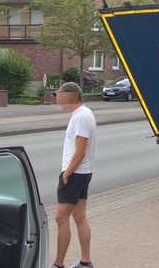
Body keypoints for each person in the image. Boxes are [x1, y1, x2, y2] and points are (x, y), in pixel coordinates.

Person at [50, 82, 97, 268]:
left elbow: (80, 151)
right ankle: (86, 262)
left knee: (61, 218)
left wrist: (67, 173)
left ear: (72, 96)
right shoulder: (84, 113)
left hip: (76, 173)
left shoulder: (80, 118)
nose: (59, 100)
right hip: (83, 172)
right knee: (79, 216)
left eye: (61, 95)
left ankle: (58, 264)